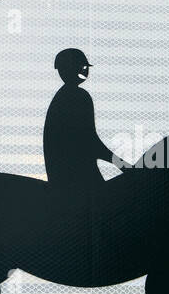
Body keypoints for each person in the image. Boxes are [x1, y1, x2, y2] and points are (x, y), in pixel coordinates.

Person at [43, 48, 131, 194]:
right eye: (81, 67)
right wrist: (121, 164)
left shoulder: (62, 97)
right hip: (77, 174)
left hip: (62, 174)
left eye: (84, 67)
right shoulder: (78, 97)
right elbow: (89, 140)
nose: (84, 71)